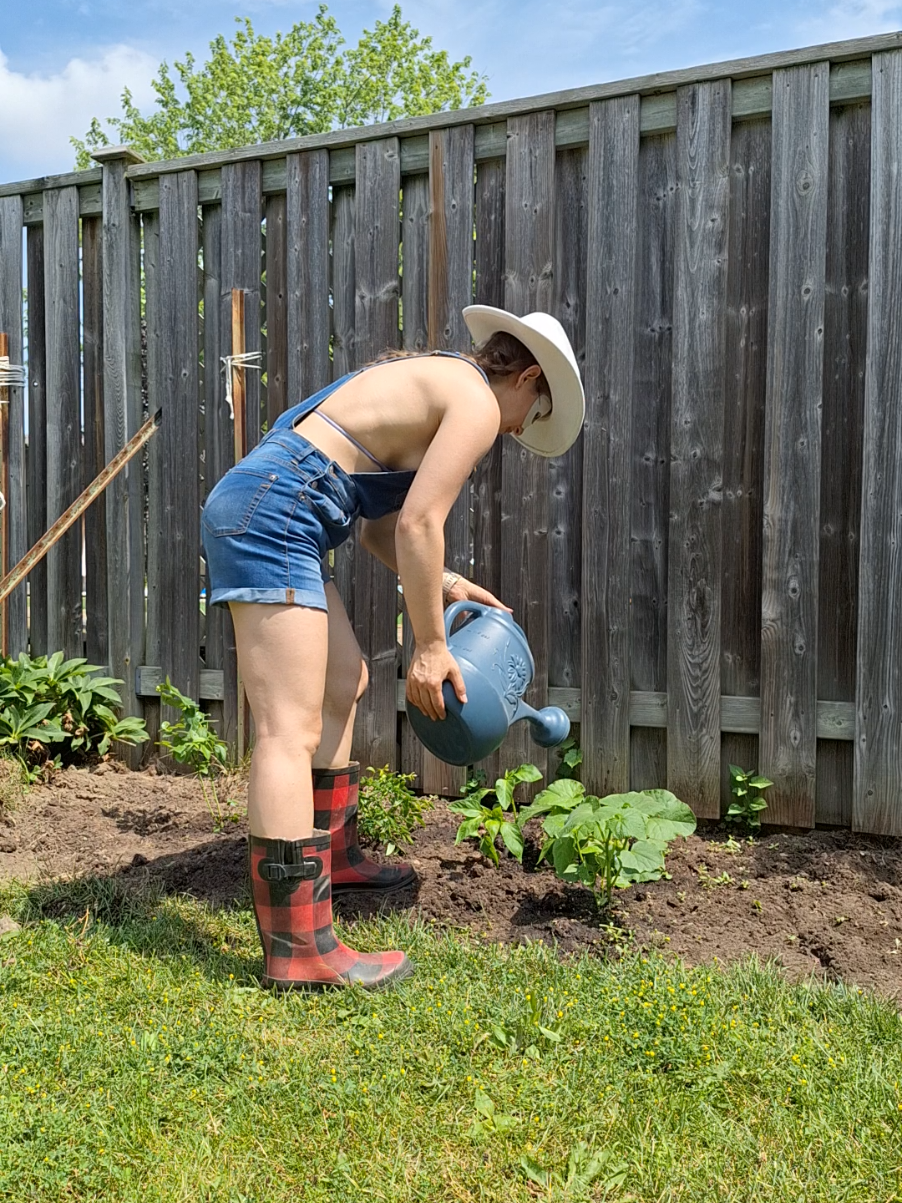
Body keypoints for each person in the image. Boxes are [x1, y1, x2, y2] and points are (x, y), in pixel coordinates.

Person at [201, 305, 585, 991]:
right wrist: (432, 646)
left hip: (280, 507)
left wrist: (451, 583)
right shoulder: (474, 398)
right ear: (528, 377)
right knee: (288, 729)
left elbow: (383, 529)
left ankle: (333, 857)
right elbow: (419, 524)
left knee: (343, 679)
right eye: (536, 413)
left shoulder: (439, 384)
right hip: (275, 512)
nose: (523, 429)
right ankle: (298, 947)